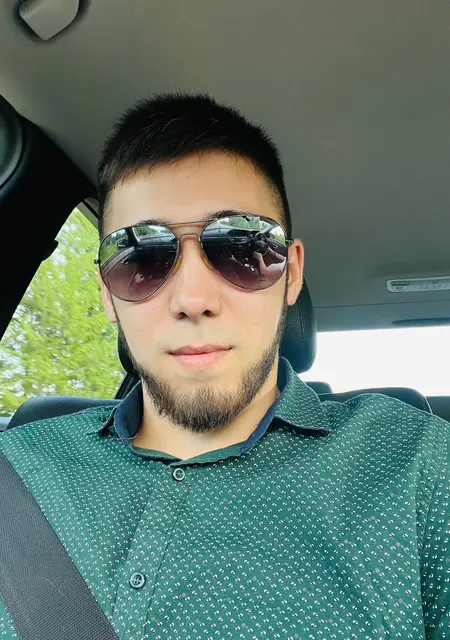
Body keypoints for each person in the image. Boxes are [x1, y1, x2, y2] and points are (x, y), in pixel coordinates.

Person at [0, 92, 448, 639]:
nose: (193, 298)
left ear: (292, 274)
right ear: (107, 294)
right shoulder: (15, 467)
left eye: (242, 247)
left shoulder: (418, 467)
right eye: (142, 257)